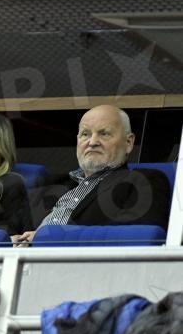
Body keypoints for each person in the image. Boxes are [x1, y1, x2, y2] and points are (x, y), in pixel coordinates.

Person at [12, 105, 171, 245]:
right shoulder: (47, 185)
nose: (92, 142)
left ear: (128, 143)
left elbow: (138, 238)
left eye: (104, 134)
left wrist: (46, 239)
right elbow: (8, 232)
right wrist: (11, 240)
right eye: (85, 134)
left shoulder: (142, 181)